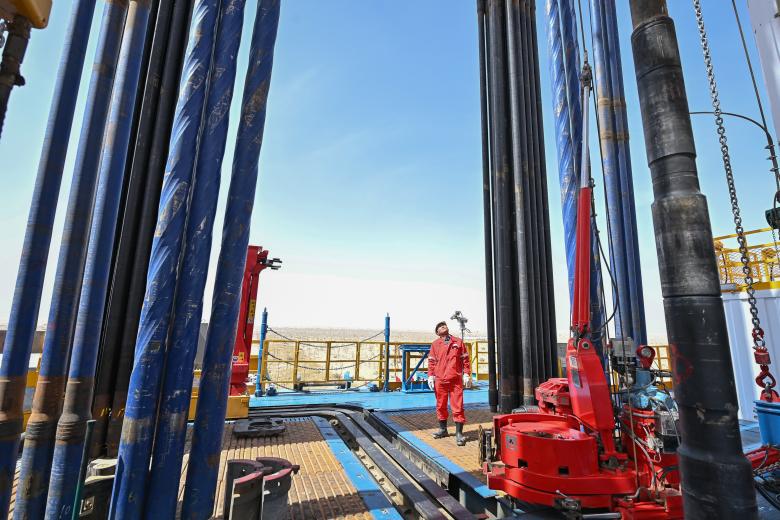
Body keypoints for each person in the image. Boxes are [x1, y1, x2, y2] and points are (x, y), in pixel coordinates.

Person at [427, 320, 472, 446]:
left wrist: (467, 373)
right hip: (440, 379)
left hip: (455, 379)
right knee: (441, 405)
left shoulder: (457, 342)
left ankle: (459, 434)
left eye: (444, 325)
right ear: (437, 332)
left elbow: (465, 360)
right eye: (439, 326)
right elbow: (431, 361)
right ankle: (443, 430)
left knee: (457, 406)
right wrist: (430, 376)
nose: (443, 326)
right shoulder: (435, 344)